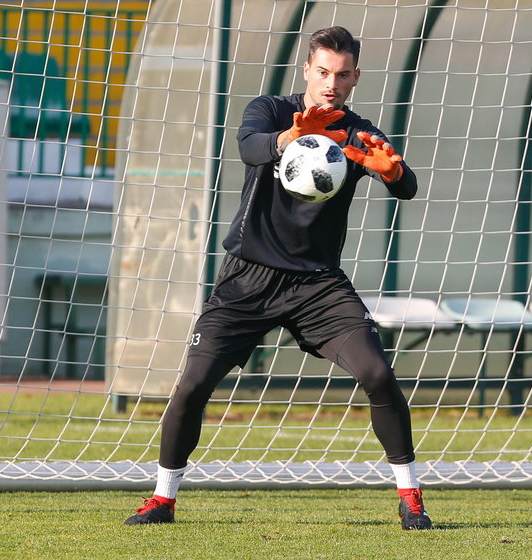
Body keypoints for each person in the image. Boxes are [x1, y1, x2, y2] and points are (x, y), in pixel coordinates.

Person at [124, 26, 431, 530]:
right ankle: (162, 499)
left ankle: (411, 496)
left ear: (355, 77)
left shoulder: (356, 130)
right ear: (307, 69)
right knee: (193, 385)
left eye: (343, 74)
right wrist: (293, 136)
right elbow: (250, 149)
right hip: (248, 278)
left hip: (318, 285)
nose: (331, 83)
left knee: (377, 373)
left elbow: (407, 186)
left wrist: (393, 172)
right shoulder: (268, 109)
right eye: (323, 72)